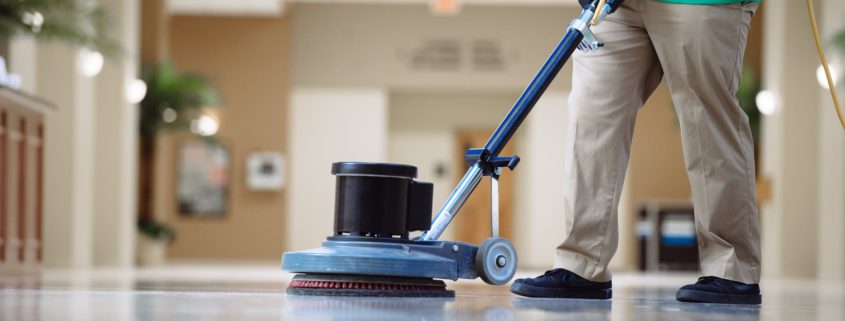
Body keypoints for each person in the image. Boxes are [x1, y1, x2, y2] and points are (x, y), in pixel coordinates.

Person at [509, 0, 762, 305]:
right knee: (592, 116)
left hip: (698, 3)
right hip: (619, 8)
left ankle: (731, 270)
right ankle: (582, 263)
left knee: (706, 120)